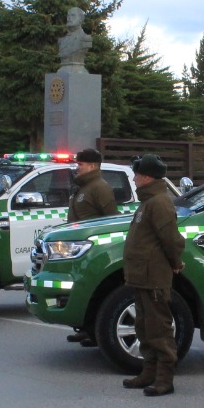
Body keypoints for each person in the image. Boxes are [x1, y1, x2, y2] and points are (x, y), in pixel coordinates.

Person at [121, 154, 186, 396]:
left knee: (159, 328)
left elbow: (170, 238)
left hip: (154, 276)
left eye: (137, 174)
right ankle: (148, 372)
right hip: (142, 276)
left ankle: (165, 378)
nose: (135, 178)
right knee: (144, 326)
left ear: (146, 177)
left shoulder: (159, 202)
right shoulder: (148, 201)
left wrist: (176, 262)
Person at [64, 147, 120, 346]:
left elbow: (111, 217)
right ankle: (85, 328)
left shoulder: (99, 187)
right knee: (80, 289)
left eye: (80, 164)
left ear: (93, 166)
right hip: (78, 248)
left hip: (93, 248)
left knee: (92, 290)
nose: (77, 167)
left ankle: (93, 332)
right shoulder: (82, 186)